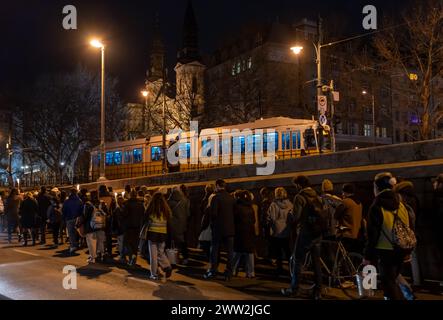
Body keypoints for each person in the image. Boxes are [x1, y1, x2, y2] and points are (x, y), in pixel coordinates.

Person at [363, 172, 415, 300]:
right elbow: (409, 226)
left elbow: (372, 235)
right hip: (401, 249)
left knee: (389, 284)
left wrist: (367, 256)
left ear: (377, 187)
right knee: (393, 281)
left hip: (385, 251)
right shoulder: (401, 205)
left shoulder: (376, 207)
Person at [282, 175, 323, 300]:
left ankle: (294, 289)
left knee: (297, 260)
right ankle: (317, 292)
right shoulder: (317, 196)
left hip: (305, 233)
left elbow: (296, 216)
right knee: (317, 263)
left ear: (299, 185)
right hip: (317, 233)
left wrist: (290, 214)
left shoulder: (300, 197)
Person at [204, 179, 236, 281]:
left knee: (214, 250)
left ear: (217, 186)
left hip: (218, 229)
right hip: (230, 228)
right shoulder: (231, 198)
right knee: (230, 252)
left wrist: (212, 225)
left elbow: (213, 214)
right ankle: (229, 273)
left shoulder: (216, 198)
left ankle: (213, 271)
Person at [144, 192, 173, 280]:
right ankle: (167, 266)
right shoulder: (166, 210)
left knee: (153, 255)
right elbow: (169, 223)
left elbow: (145, 218)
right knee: (161, 252)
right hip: (162, 234)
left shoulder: (151, 208)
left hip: (152, 233)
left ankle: (154, 274)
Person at [266, 187, 293, 276]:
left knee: (278, 252)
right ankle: (291, 268)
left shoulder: (273, 205)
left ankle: (279, 268)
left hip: (276, 231)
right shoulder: (290, 204)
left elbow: (271, 218)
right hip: (287, 230)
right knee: (288, 250)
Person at [232, 190, 256, 278]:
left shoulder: (237, 207)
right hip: (249, 231)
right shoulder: (250, 207)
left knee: (237, 252)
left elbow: (233, 219)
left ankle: (233, 270)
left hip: (239, 231)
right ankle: (251, 272)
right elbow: (254, 220)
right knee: (249, 253)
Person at [334, 183, 363, 253]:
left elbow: (336, 215)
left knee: (340, 255)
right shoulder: (359, 203)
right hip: (356, 233)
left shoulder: (345, 202)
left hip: (346, 234)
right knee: (350, 255)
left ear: (345, 192)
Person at [167, 185, 191, 266]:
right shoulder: (185, 200)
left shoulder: (169, 201)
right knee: (182, 242)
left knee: (170, 242)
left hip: (172, 225)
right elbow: (188, 214)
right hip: (182, 224)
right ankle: (185, 257)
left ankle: (170, 258)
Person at [82, 190, 107, 263]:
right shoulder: (102, 203)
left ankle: (93, 258)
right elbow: (106, 213)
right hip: (100, 225)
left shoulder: (88, 205)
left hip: (91, 226)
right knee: (100, 241)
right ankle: (101, 255)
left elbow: (85, 216)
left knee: (91, 242)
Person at [121, 190, 144, 266]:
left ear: (130, 195)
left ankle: (131, 258)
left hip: (128, 227)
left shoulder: (127, 204)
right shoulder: (140, 204)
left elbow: (124, 215)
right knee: (135, 244)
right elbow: (143, 216)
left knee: (127, 243)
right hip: (137, 227)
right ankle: (134, 258)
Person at [62, 188, 83, 254]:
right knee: (78, 232)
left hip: (69, 218)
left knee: (71, 233)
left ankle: (73, 245)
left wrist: (65, 217)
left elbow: (64, 210)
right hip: (77, 218)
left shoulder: (67, 201)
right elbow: (81, 210)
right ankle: (78, 244)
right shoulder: (79, 200)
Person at [199, 184, 215, 260]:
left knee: (205, 239)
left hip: (207, 220)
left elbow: (202, 210)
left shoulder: (205, 198)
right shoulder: (214, 196)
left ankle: (209, 255)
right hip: (213, 221)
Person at [99, 185, 114, 260]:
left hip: (100, 219)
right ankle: (109, 251)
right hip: (109, 219)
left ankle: (102, 251)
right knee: (108, 236)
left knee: (101, 236)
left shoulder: (99, 198)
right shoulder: (111, 198)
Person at [259, 187, 274, 263]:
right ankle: (270, 257)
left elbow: (264, 215)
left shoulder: (265, 203)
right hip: (271, 226)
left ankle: (268, 257)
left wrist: (263, 223)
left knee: (267, 241)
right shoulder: (272, 202)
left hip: (266, 226)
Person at [113, 196, 126, 263]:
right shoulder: (125, 209)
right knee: (124, 243)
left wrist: (115, 229)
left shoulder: (117, 210)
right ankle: (123, 256)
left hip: (120, 229)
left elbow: (116, 221)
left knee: (121, 243)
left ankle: (122, 257)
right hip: (125, 229)